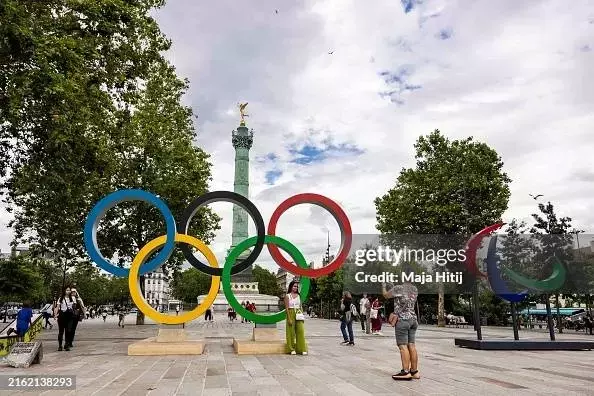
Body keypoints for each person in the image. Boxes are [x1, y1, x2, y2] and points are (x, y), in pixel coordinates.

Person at [382, 281, 420, 380]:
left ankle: (405, 372)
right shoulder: (415, 289)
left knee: (403, 346)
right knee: (411, 345)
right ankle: (414, 372)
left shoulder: (398, 288)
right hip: (413, 320)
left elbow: (386, 295)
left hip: (402, 320)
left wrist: (383, 286)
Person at [284, 280, 307, 355]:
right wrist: (289, 318)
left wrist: (302, 316)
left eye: (297, 286)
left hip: (298, 313)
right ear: (291, 287)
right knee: (290, 332)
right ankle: (291, 349)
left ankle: (302, 349)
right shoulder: (287, 296)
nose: (296, 288)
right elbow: (286, 308)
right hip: (290, 312)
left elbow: (301, 307)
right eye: (294, 286)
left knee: (301, 331)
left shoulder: (299, 296)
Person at [54, 286, 75, 351]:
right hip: (62, 315)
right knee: (61, 331)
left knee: (68, 330)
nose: (68, 291)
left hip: (69, 316)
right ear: (64, 291)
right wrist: (55, 314)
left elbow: (74, 306)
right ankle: (60, 345)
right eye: (67, 290)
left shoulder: (73, 298)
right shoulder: (61, 298)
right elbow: (57, 307)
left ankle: (66, 344)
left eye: (69, 290)